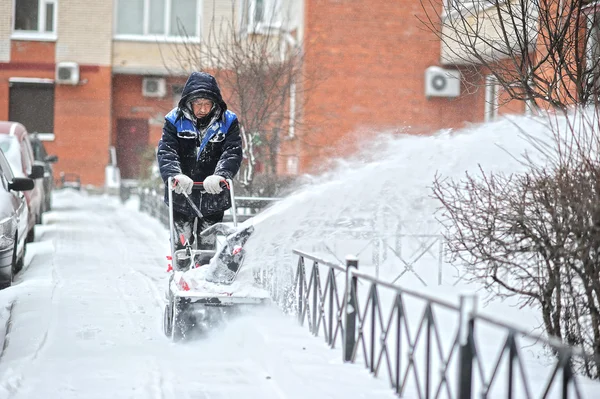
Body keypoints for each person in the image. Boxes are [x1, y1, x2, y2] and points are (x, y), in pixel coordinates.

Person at [157, 72, 242, 268]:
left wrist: (221, 175)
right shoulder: (173, 120)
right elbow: (167, 151)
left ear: (215, 103)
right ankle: (181, 275)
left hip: (213, 192)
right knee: (182, 242)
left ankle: (204, 278)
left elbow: (232, 152)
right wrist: (175, 175)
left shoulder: (228, 121)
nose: (203, 109)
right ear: (189, 102)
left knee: (207, 246)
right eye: (198, 104)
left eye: (207, 104)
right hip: (182, 192)